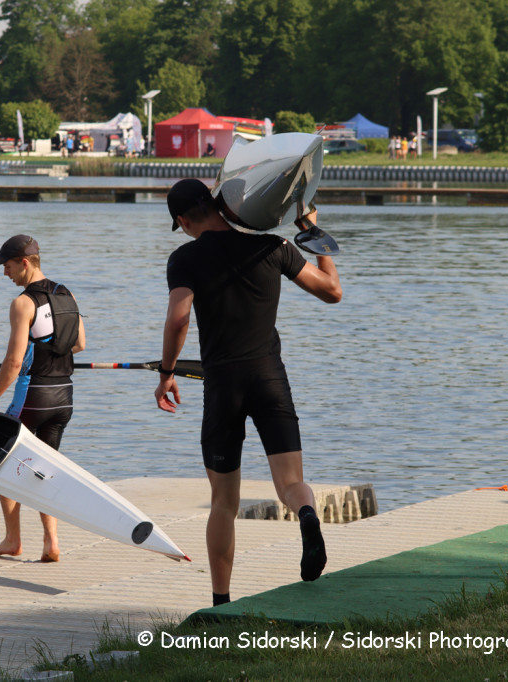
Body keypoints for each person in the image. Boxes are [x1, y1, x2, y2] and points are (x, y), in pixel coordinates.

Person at [154, 178, 342, 606]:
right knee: (291, 482)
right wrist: (314, 235)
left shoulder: (185, 258)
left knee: (224, 502)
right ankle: (308, 516)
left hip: (223, 386)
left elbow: (179, 320)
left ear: (183, 220)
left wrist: (167, 371)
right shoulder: (274, 247)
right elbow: (333, 292)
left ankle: (222, 601)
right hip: (270, 378)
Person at [0, 235, 86, 562]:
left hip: (33, 399)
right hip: (64, 398)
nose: (5, 273)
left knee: (0, 462)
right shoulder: (67, 294)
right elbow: (80, 343)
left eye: (8, 266)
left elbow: (13, 363)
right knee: (46, 468)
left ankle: (13, 540)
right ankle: (51, 542)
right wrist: (48, 346)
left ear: (25, 263)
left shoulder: (22, 304)